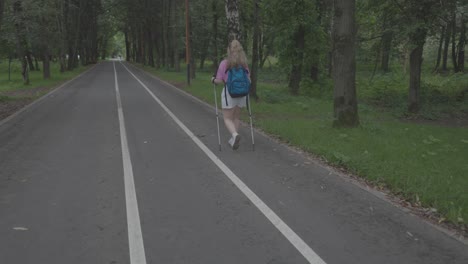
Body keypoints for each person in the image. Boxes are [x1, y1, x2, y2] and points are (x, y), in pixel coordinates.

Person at [211, 40, 250, 150]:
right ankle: (233, 140)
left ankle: (234, 135)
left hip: (230, 93)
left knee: (227, 118)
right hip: (242, 94)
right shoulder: (244, 64)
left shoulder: (225, 63)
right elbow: (249, 80)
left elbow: (219, 80)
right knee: (236, 117)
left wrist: (213, 80)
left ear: (229, 50)